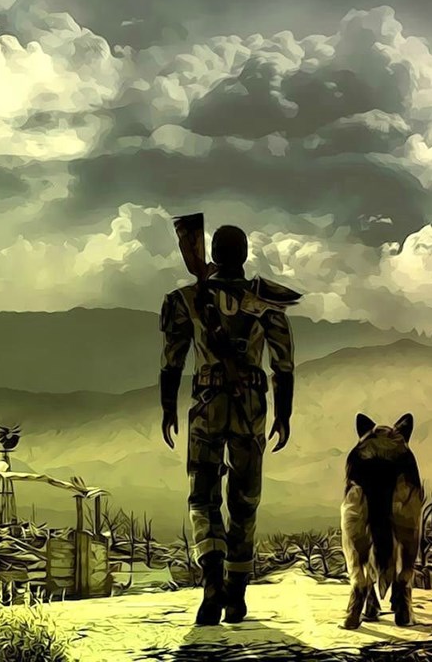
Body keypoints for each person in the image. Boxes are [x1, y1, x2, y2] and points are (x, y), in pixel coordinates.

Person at [158, 224, 300, 626]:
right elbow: (283, 364)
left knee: (202, 497)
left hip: (206, 405)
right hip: (251, 405)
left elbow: (171, 361)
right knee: (245, 499)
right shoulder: (266, 298)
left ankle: (211, 582)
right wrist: (284, 413)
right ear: (245, 253)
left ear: (213, 255)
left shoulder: (185, 299)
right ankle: (236, 594)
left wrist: (168, 408)